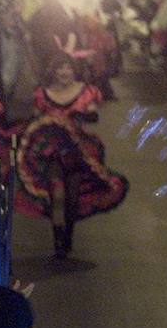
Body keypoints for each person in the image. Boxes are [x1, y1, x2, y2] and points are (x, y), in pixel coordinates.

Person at [15, 55, 128, 257]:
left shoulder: (87, 92)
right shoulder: (42, 94)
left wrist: (83, 115)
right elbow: (34, 121)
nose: (64, 72)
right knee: (57, 197)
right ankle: (58, 241)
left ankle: (68, 236)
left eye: (68, 68)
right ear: (53, 71)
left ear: (74, 70)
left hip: (78, 153)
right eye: (60, 68)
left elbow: (93, 114)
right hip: (51, 154)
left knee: (72, 200)